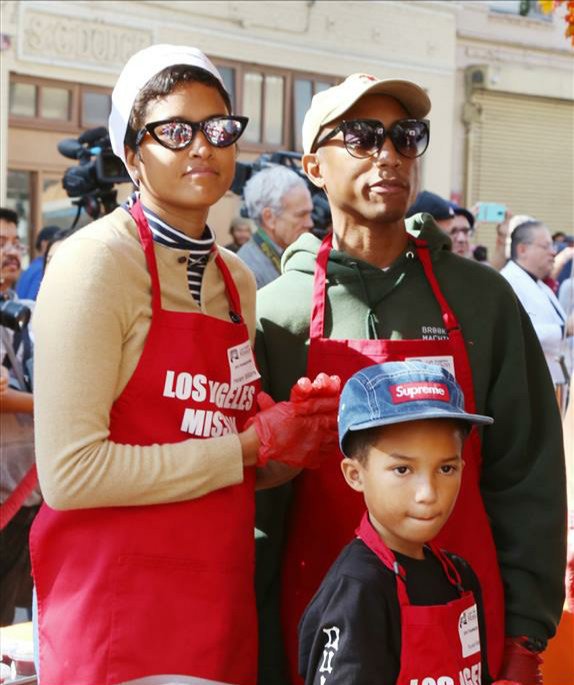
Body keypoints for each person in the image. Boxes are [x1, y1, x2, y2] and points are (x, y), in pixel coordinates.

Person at [30, 44, 338, 685]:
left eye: (219, 128)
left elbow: (224, 442)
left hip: (219, 600)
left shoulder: (236, 279)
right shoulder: (95, 264)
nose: (203, 145)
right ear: (132, 155)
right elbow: (70, 474)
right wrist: (249, 449)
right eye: (174, 130)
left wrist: (292, 437)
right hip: (116, 609)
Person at [255, 73, 566, 684]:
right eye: (364, 137)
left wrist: (526, 636)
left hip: (465, 629)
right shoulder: (278, 314)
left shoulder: (481, 301)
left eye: (405, 136)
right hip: (318, 635)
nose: (389, 155)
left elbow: (528, 474)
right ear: (313, 166)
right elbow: (260, 505)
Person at [299, 361, 497, 685]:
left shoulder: (460, 578)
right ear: (355, 474)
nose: (428, 493)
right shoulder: (357, 592)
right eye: (403, 470)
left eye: (446, 469)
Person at [0, 207, 39, 626]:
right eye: (1, 244)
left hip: (25, 494)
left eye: (15, 242)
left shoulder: (21, 310)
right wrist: (52, 402)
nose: (12, 252)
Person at [501, 220, 573, 388]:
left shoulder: (539, 284)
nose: (553, 252)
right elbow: (517, 332)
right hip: (533, 385)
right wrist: (565, 329)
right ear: (522, 249)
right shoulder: (507, 281)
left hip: (556, 382)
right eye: (546, 246)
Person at [237, 165, 314, 288]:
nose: (310, 223)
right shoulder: (246, 273)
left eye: (310, 213)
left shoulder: (286, 253)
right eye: (301, 215)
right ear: (269, 218)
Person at [15, 225, 59, 300]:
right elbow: (33, 302)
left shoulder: (31, 267)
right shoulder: (43, 268)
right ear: (44, 243)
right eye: (56, 242)